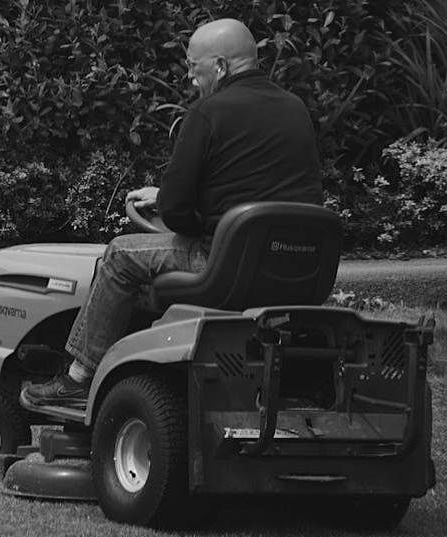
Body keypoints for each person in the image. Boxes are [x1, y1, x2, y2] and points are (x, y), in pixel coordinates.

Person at [22, 17, 325, 409]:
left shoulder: (207, 112)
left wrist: (170, 205)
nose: (189, 78)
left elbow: (178, 214)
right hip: (296, 266)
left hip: (226, 264)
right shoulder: (295, 108)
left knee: (119, 255)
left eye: (193, 68)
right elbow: (261, 184)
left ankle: (79, 379)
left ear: (219, 67)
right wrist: (168, 197)